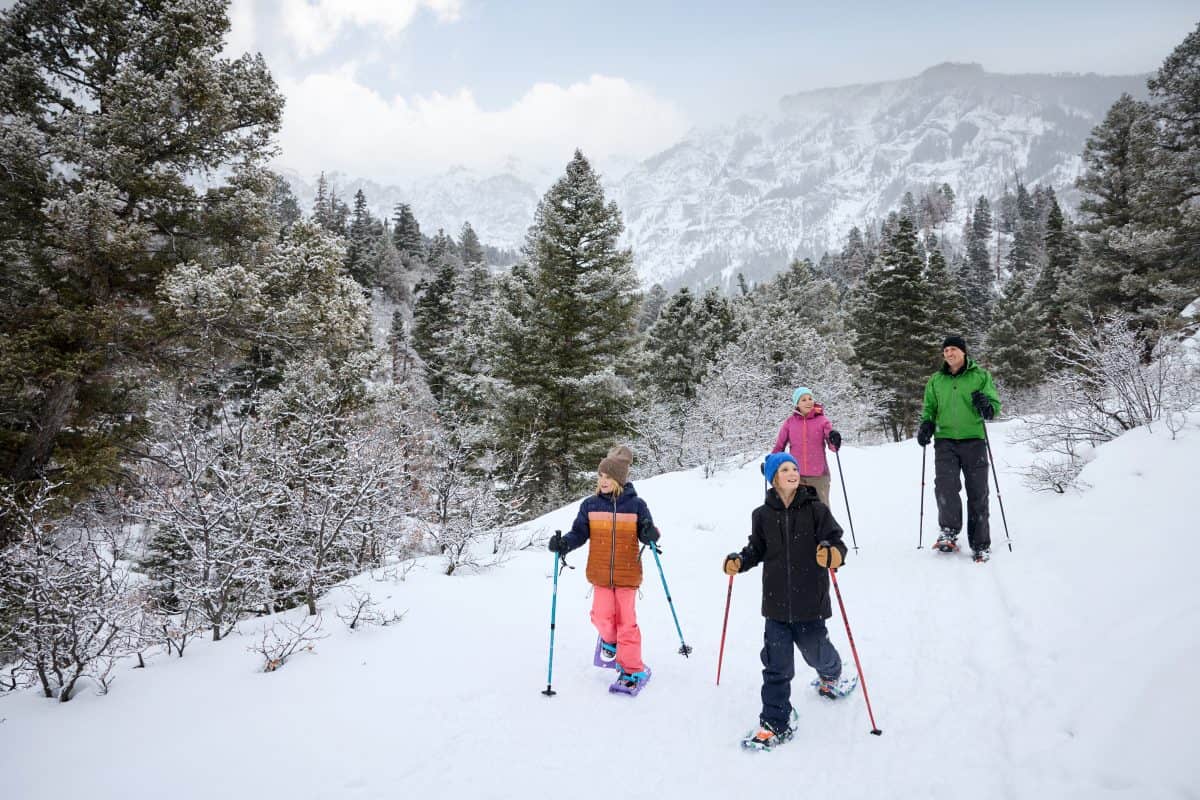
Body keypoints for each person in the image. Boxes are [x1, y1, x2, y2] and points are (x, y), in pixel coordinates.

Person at [722, 452, 855, 750]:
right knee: (776, 666)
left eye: (794, 467)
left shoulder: (816, 510)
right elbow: (755, 549)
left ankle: (831, 672)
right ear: (773, 477)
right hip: (776, 605)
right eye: (784, 469)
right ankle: (775, 721)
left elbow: (836, 541)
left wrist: (834, 554)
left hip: (810, 601)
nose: (792, 472)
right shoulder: (762, 515)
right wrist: (740, 561)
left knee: (815, 652)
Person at [547, 445, 659, 691]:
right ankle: (610, 642)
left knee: (626, 623)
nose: (603, 481)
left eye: (608, 477)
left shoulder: (636, 505)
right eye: (600, 476)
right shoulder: (590, 505)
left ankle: (632, 669)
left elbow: (647, 534)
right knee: (600, 616)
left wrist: (651, 532)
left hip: (628, 574)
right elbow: (579, 533)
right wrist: (564, 543)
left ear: (619, 478)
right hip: (599, 574)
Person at [916, 335, 1001, 563]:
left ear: (963, 352)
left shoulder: (980, 376)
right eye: (945, 350)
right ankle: (949, 532)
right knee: (945, 487)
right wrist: (926, 425)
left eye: (953, 349)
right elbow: (930, 409)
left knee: (978, 493)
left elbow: (994, 406)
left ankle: (980, 544)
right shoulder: (936, 380)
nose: (949, 353)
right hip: (945, 441)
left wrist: (986, 406)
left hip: (973, 440)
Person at [771, 386, 841, 506]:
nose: (808, 402)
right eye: (803, 400)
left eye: (810, 398)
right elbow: (779, 446)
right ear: (797, 404)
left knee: (822, 512)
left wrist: (834, 439)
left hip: (819, 476)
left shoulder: (822, 421)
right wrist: (770, 463)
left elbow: (833, 447)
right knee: (798, 513)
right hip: (796, 476)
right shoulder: (790, 422)